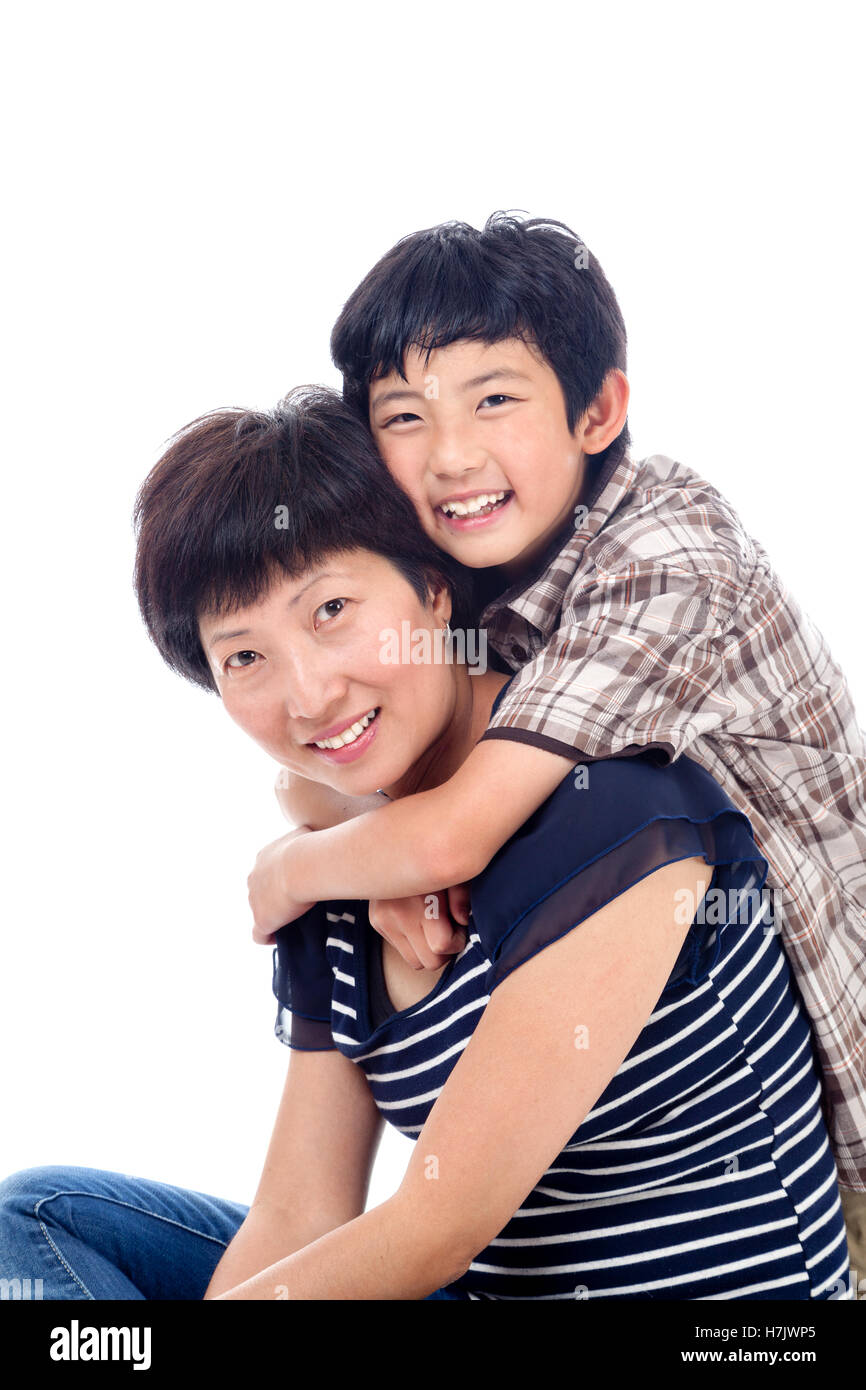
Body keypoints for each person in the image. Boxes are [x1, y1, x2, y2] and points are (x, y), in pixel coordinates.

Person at [0, 388, 851, 1299]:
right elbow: (299, 1216)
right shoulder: (341, 871)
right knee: (39, 1220)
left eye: (330, 610)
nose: (309, 695)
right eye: (243, 656)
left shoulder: (616, 809)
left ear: (434, 590)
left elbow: (436, 1229)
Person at [258, 215, 866, 1271]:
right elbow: (318, 769)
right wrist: (376, 845)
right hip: (650, 1056)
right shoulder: (479, 553)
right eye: (404, 416)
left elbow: (454, 829)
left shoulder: (665, 558)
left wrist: (293, 874)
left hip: (826, 1113)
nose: (450, 455)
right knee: (52, 1218)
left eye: (493, 398)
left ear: (597, 412)